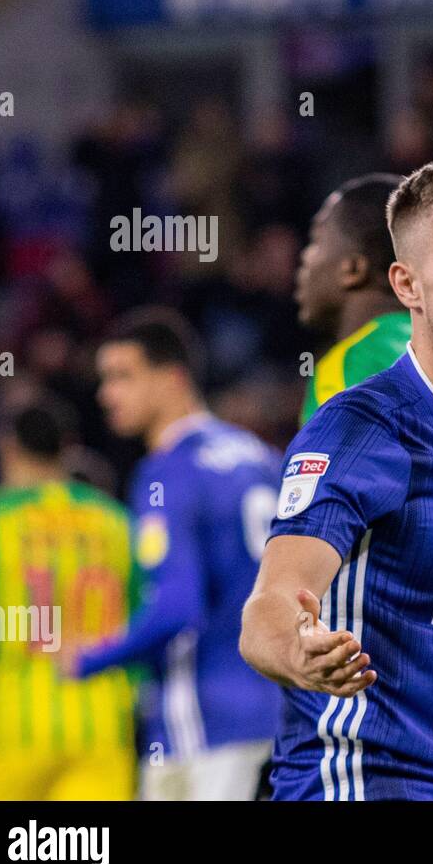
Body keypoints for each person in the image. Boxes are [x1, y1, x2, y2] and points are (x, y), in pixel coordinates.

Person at [241, 157, 433, 800]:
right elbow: (268, 610)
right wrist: (300, 651)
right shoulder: (360, 426)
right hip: (354, 783)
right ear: (406, 285)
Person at [84, 309, 282, 800]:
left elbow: (177, 608)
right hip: (281, 715)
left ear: (173, 379)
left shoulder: (169, 472)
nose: (106, 394)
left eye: (123, 377)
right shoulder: (261, 457)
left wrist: (87, 659)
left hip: (203, 724)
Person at [0, 395, 139, 800]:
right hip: (104, 730)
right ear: (69, 447)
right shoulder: (117, 522)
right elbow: (144, 620)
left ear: (7, 446)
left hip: (15, 732)